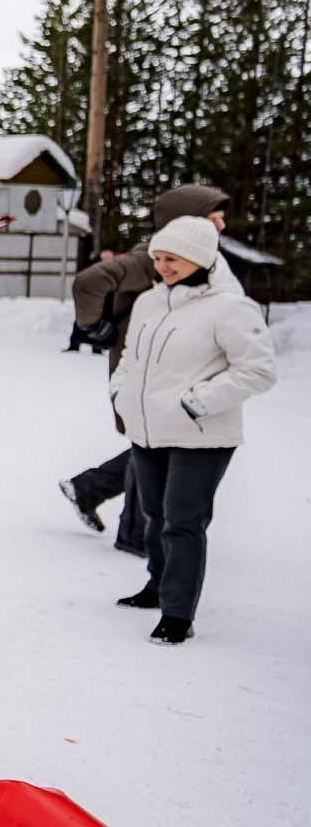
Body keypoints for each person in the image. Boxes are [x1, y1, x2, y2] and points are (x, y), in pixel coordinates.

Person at [107, 216, 275, 644]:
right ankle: (156, 586)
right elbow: (130, 357)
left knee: (182, 521)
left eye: (172, 259)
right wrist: (120, 391)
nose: (162, 266)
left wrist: (196, 402)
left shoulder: (231, 308)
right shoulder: (150, 301)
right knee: (154, 513)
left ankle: (178, 613)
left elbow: (258, 370)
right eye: (158, 258)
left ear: (200, 258)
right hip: (149, 430)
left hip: (201, 435)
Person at [58, 184, 233, 554]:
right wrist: (94, 329)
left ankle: (95, 494)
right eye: (214, 217)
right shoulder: (151, 257)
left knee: (159, 446)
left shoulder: (196, 260)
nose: (222, 224)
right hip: (141, 369)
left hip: (169, 369)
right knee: (155, 446)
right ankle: (132, 530)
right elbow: (90, 281)